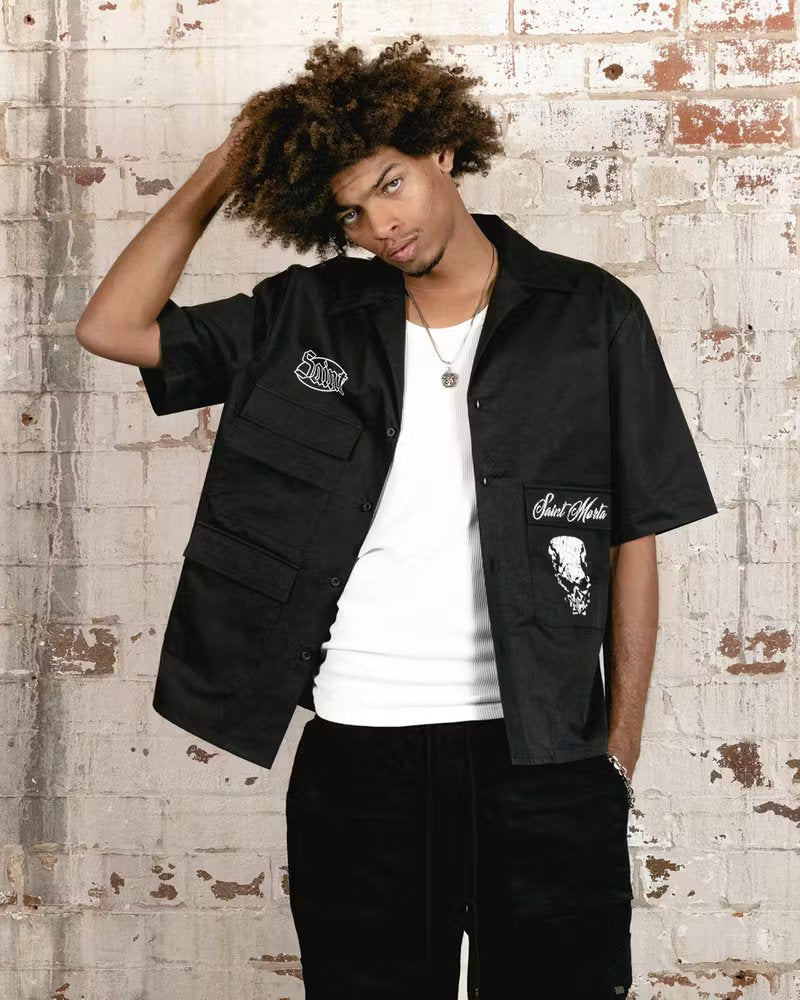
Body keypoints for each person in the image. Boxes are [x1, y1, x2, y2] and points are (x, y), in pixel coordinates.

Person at [76, 34, 718, 1000]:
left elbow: (633, 537)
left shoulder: (590, 316)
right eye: (351, 210)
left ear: (442, 152)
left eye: (391, 185)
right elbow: (112, 328)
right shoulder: (306, 315)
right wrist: (221, 170)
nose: (381, 224)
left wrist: (617, 747)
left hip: (542, 754)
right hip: (361, 752)